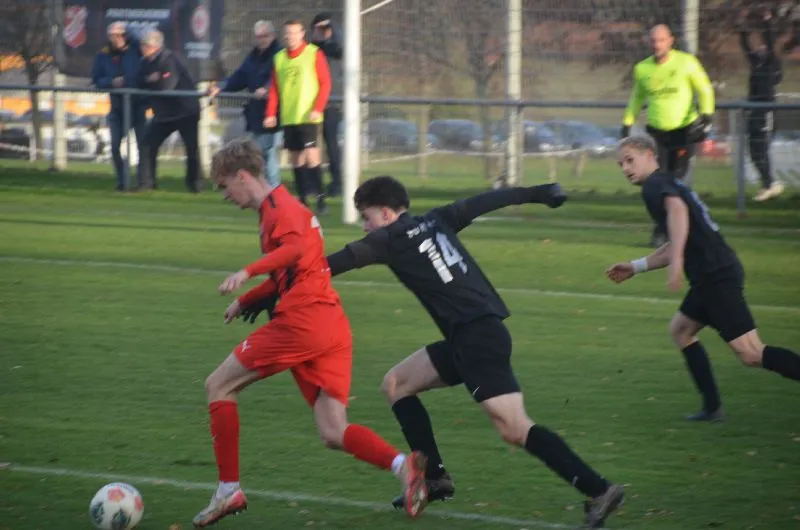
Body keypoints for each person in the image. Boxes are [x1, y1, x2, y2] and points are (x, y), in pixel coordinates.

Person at [240, 177, 625, 529]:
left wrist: (266, 294)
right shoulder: (438, 218)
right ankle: (435, 478)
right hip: (470, 336)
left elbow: (326, 267)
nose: (365, 227)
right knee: (397, 384)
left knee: (514, 427)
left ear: (386, 213)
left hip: (478, 339)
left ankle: (598, 489)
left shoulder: (388, 239)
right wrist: (540, 192)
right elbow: (485, 201)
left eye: (367, 218)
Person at [192, 139, 427, 527]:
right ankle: (404, 466)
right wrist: (248, 300)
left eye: (224, 186)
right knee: (333, 430)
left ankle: (228, 489)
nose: (225, 195)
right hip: (330, 324)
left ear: (242, 176)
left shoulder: (280, 210)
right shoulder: (284, 207)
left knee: (218, 386)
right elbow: (295, 270)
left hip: (302, 323)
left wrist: (247, 272)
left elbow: (296, 250)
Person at [606, 136, 800, 423]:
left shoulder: (654, 186)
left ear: (649, 155)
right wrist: (637, 266)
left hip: (715, 276)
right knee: (681, 331)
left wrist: (678, 261)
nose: (625, 168)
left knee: (751, 353)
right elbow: (677, 238)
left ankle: (713, 409)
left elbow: (678, 212)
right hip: (711, 274)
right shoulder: (666, 181)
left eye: (630, 160)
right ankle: (712, 409)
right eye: (621, 164)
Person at [620, 24, 715, 247]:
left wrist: (707, 116)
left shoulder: (686, 63)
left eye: (661, 40)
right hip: (656, 134)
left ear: (670, 41)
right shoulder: (643, 68)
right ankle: (662, 230)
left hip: (683, 132)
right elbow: (637, 97)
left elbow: (704, 89)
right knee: (657, 182)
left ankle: (680, 230)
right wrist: (627, 124)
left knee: (675, 182)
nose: (657, 45)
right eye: (653, 40)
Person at [265, 20, 330, 215]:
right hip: (289, 116)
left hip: (308, 116)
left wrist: (317, 108)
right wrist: (270, 113)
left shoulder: (313, 53)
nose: (290, 37)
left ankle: (321, 198)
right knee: (296, 159)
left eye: (294, 33)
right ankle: (303, 200)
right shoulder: (279, 58)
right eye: (287, 33)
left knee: (311, 156)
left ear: (302, 34)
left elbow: (325, 83)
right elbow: (274, 89)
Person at [208, 20, 283, 187]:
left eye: (265, 36)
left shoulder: (279, 54)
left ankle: (273, 189)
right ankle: (267, 189)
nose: (261, 40)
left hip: (274, 113)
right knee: (260, 153)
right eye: (258, 36)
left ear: (273, 36)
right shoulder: (253, 57)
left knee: (266, 152)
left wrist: (267, 88)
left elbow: (279, 78)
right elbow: (240, 76)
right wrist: (221, 86)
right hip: (256, 113)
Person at [137, 29, 201, 193]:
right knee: (147, 144)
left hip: (185, 111)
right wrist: (151, 79)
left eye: (145, 45)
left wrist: (153, 81)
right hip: (164, 114)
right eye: (142, 45)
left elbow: (167, 86)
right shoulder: (145, 63)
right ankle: (146, 184)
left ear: (154, 46)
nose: (142, 48)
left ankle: (195, 185)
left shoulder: (170, 59)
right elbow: (139, 81)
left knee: (191, 149)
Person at [91, 21, 146, 191]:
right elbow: (96, 80)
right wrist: (111, 82)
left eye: (120, 35)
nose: (117, 39)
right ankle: (122, 181)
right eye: (113, 35)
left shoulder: (136, 51)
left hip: (137, 106)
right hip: (117, 108)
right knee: (115, 146)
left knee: (143, 145)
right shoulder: (103, 55)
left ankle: (142, 182)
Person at [738, 7, 785, 202]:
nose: (760, 48)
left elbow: (770, 43)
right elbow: (746, 46)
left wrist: (766, 21)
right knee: (753, 150)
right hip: (754, 111)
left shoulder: (771, 63)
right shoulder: (756, 63)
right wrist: (742, 25)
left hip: (766, 111)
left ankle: (769, 184)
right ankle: (769, 183)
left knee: (761, 148)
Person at [310, 12, 343, 197]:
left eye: (325, 28)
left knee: (331, 144)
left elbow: (339, 49)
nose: (322, 31)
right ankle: (313, 183)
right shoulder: (312, 49)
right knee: (310, 145)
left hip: (331, 103)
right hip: (311, 104)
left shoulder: (334, 48)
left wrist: (331, 30)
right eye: (319, 28)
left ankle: (337, 182)